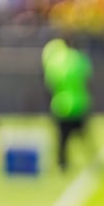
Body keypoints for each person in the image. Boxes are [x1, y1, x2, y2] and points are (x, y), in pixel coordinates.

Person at [41, 35, 96, 172]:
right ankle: (93, 161)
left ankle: (62, 164)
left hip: (61, 104)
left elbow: (50, 84)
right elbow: (87, 81)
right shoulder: (79, 59)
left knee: (62, 139)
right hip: (79, 102)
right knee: (84, 136)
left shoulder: (55, 61)